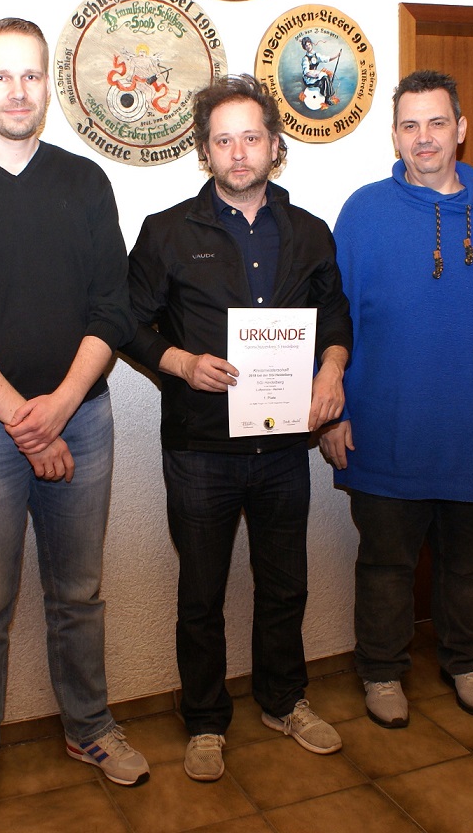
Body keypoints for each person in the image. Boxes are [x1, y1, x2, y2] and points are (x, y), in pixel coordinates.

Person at [0, 18, 148, 827]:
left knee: (79, 592)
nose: (17, 91)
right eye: (0, 76)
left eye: (31, 75)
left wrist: (63, 407)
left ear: (49, 85)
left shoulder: (84, 182)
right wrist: (26, 421)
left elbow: (112, 308)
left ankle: (89, 728)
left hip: (82, 417)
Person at [122, 74, 352, 781]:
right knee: (201, 594)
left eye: (251, 137)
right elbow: (128, 323)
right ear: (204, 151)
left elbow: (335, 317)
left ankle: (284, 700)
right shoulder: (165, 231)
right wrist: (181, 363)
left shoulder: (309, 231)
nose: (239, 151)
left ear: (275, 145)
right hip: (200, 450)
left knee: (285, 584)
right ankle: (204, 720)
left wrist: (331, 370)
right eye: (223, 140)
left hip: (283, 448)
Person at [320, 70, 473, 729]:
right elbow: (331, 319)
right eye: (409, 125)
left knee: (467, 565)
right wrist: (334, 412)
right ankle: (380, 670)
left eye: (435, 123)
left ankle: (465, 661)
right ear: (394, 136)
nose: (423, 138)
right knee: (385, 567)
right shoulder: (363, 212)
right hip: (385, 432)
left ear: (460, 129)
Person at [300, 36, 340, 109]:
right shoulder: (305, 59)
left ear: (311, 44)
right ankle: (327, 98)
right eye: (306, 46)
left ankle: (327, 96)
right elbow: (306, 72)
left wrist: (336, 56)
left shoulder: (316, 55)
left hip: (314, 75)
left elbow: (325, 59)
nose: (308, 47)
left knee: (326, 76)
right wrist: (315, 76)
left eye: (309, 44)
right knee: (324, 78)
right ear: (304, 47)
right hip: (308, 78)